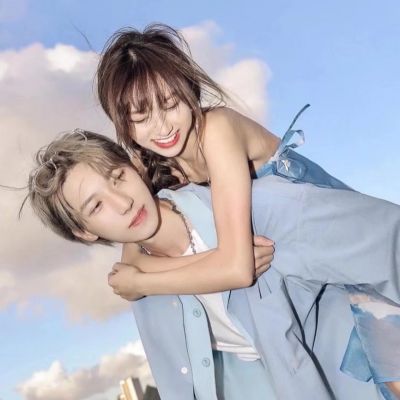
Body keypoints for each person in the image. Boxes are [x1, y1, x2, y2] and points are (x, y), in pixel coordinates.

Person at [27, 130, 400, 400]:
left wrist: (387, 357)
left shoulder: (257, 211)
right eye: (96, 206)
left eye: (117, 177)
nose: (122, 203)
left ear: (135, 165)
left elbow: (386, 238)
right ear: (84, 232)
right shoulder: (142, 296)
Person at [96, 24, 350, 295]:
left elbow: (237, 270)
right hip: (307, 275)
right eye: (141, 118)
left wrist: (141, 283)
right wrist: (216, 259)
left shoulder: (216, 130)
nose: (163, 128)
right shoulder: (151, 165)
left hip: (340, 233)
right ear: (123, 124)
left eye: (171, 105)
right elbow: (130, 264)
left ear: (189, 90)